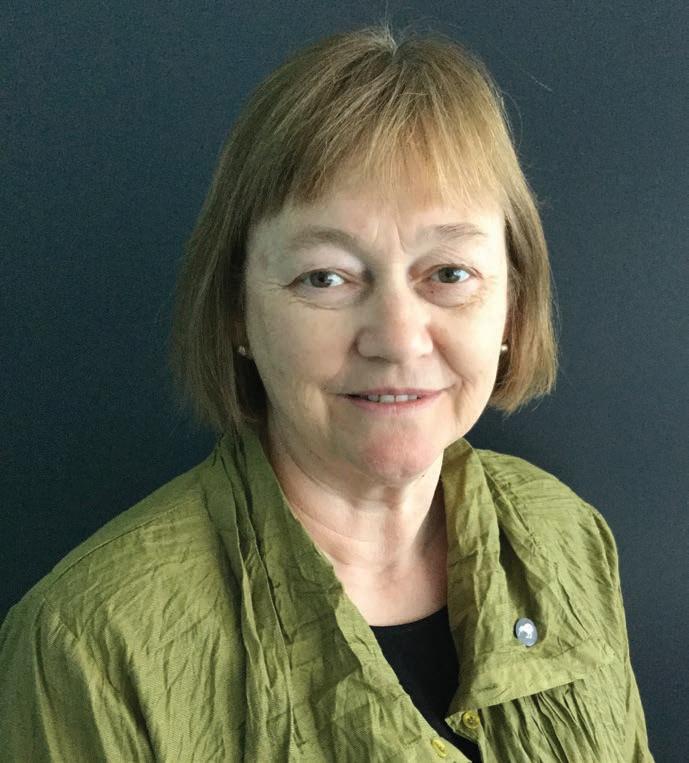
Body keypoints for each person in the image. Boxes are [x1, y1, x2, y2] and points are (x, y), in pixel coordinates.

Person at [0, 22, 653, 762]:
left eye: (449, 273)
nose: (398, 338)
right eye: (326, 277)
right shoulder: (89, 645)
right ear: (237, 311)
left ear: (513, 304)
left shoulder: (568, 536)